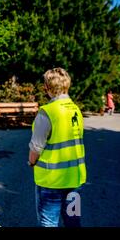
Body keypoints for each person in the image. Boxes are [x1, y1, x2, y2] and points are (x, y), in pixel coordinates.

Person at [28, 68, 86, 227]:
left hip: (51, 180)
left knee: (49, 222)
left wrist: (31, 162)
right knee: (73, 221)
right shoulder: (75, 110)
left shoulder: (47, 112)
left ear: (47, 87)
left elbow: (36, 148)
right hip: (75, 178)